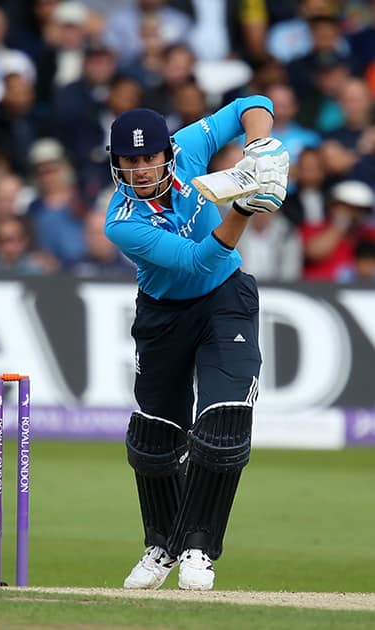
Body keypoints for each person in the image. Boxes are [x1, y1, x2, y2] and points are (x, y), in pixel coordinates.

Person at [104, 102, 289, 590]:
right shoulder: (121, 221)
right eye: (129, 161)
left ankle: (198, 549)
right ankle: (161, 545)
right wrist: (245, 207)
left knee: (223, 422)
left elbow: (255, 104)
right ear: (116, 163)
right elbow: (195, 261)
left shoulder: (188, 148)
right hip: (164, 315)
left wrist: (259, 146)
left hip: (226, 299)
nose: (140, 170)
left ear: (167, 153)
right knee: (152, 440)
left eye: (148, 159)